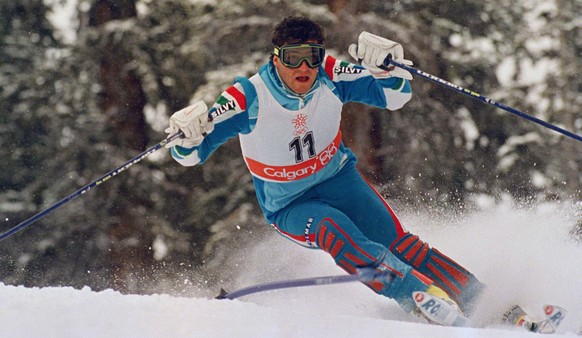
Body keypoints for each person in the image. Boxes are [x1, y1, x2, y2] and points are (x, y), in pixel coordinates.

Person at [165, 16, 484, 317]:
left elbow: (394, 97)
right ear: (276, 59)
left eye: (313, 56)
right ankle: (416, 294)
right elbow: (190, 155)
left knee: (402, 245)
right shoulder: (248, 97)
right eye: (293, 57)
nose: (304, 67)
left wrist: (387, 70)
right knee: (333, 228)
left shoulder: (332, 74)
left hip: (340, 181)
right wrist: (187, 137)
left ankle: (481, 300)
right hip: (291, 204)